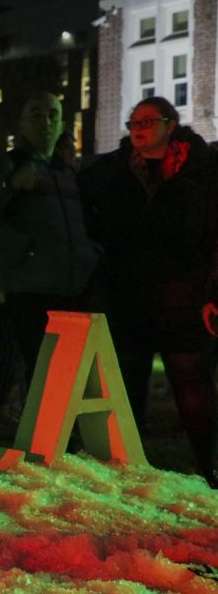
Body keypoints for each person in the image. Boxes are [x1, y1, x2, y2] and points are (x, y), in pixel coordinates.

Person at [79, 97, 217, 486]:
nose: (137, 128)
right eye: (132, 121)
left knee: (192, 379)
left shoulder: (202, 171)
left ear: (170, 125)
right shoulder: (110, 172)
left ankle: (208, 466)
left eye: (147, 120)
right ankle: (130, 469)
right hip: (129, 296)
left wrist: (211, 290)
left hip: (183, 295)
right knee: (127, 383)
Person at [0, 92, 99, 393]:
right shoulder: (8, 166)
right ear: (22, 125)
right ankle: (44, 438)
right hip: (31, 289)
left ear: (62, 122)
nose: (46, 122)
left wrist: (92, 256)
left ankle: (64, 436)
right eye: (36, 114)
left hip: (73, 288)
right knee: (43, 375)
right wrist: (9, 185)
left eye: (53, 115)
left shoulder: (67, 172)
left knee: (71, 375)